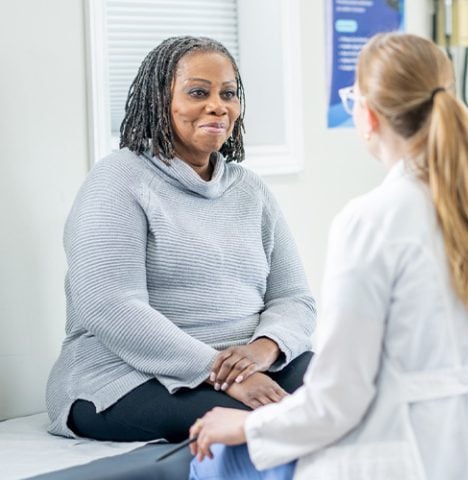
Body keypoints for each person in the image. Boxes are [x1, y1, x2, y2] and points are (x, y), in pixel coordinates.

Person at [188, 32, 468, 479]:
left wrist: (247, 425)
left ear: (368, 114)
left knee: (219, 464)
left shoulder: (373, 222)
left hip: (410, 457)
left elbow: (338, 399)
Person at [45, 36, 316, 443]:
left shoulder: (250, 190)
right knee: (259, 422)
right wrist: (220, 374)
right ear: (159, 100)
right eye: (197, 92)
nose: (217, 106)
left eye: (228, 94)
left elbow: (294, 297)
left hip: (248, 365)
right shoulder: (117, 181)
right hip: (124, 377)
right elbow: (110, 307)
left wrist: (265, 348)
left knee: (357, 389)